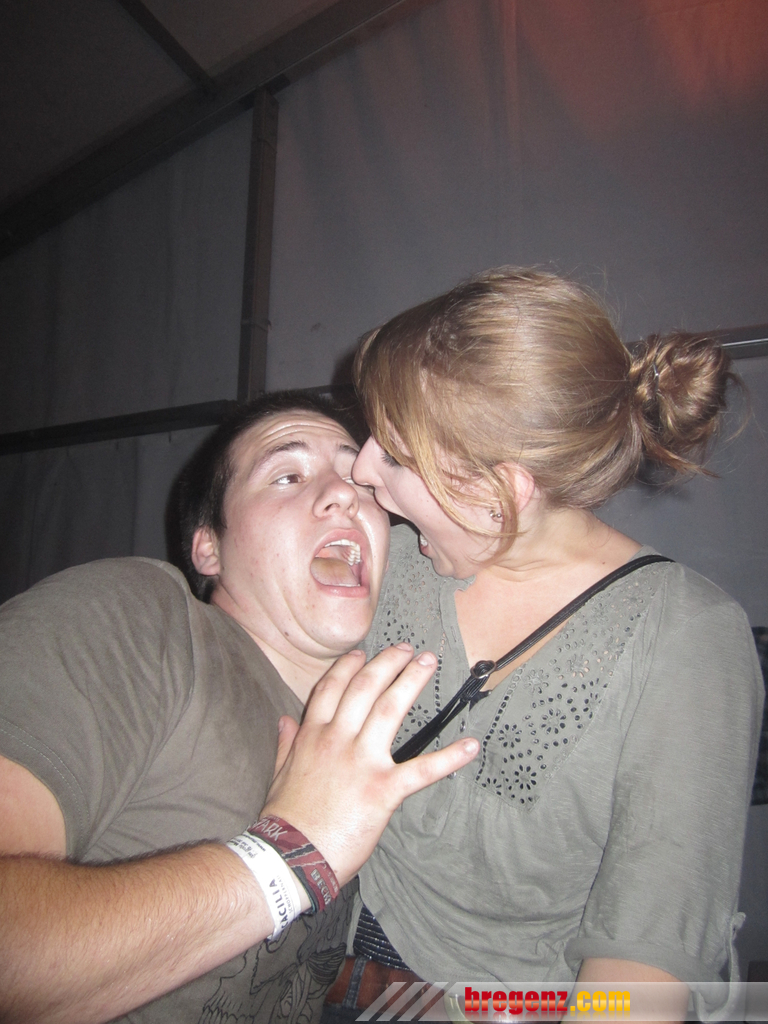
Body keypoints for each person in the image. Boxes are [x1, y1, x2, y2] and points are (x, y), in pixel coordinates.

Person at [323, 268, 763, 1021]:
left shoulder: (686, 638)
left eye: (395, 456)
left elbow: (642, 972)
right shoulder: (387, 564)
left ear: (503, 490)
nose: (361, 468)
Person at [0, 391, 480, 1024]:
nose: (345, 494)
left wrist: (400, 990)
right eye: (287, 475)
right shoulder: (143, 616)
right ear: (209, 547)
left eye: (359, 479)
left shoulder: (349, 739)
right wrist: (289, 855)